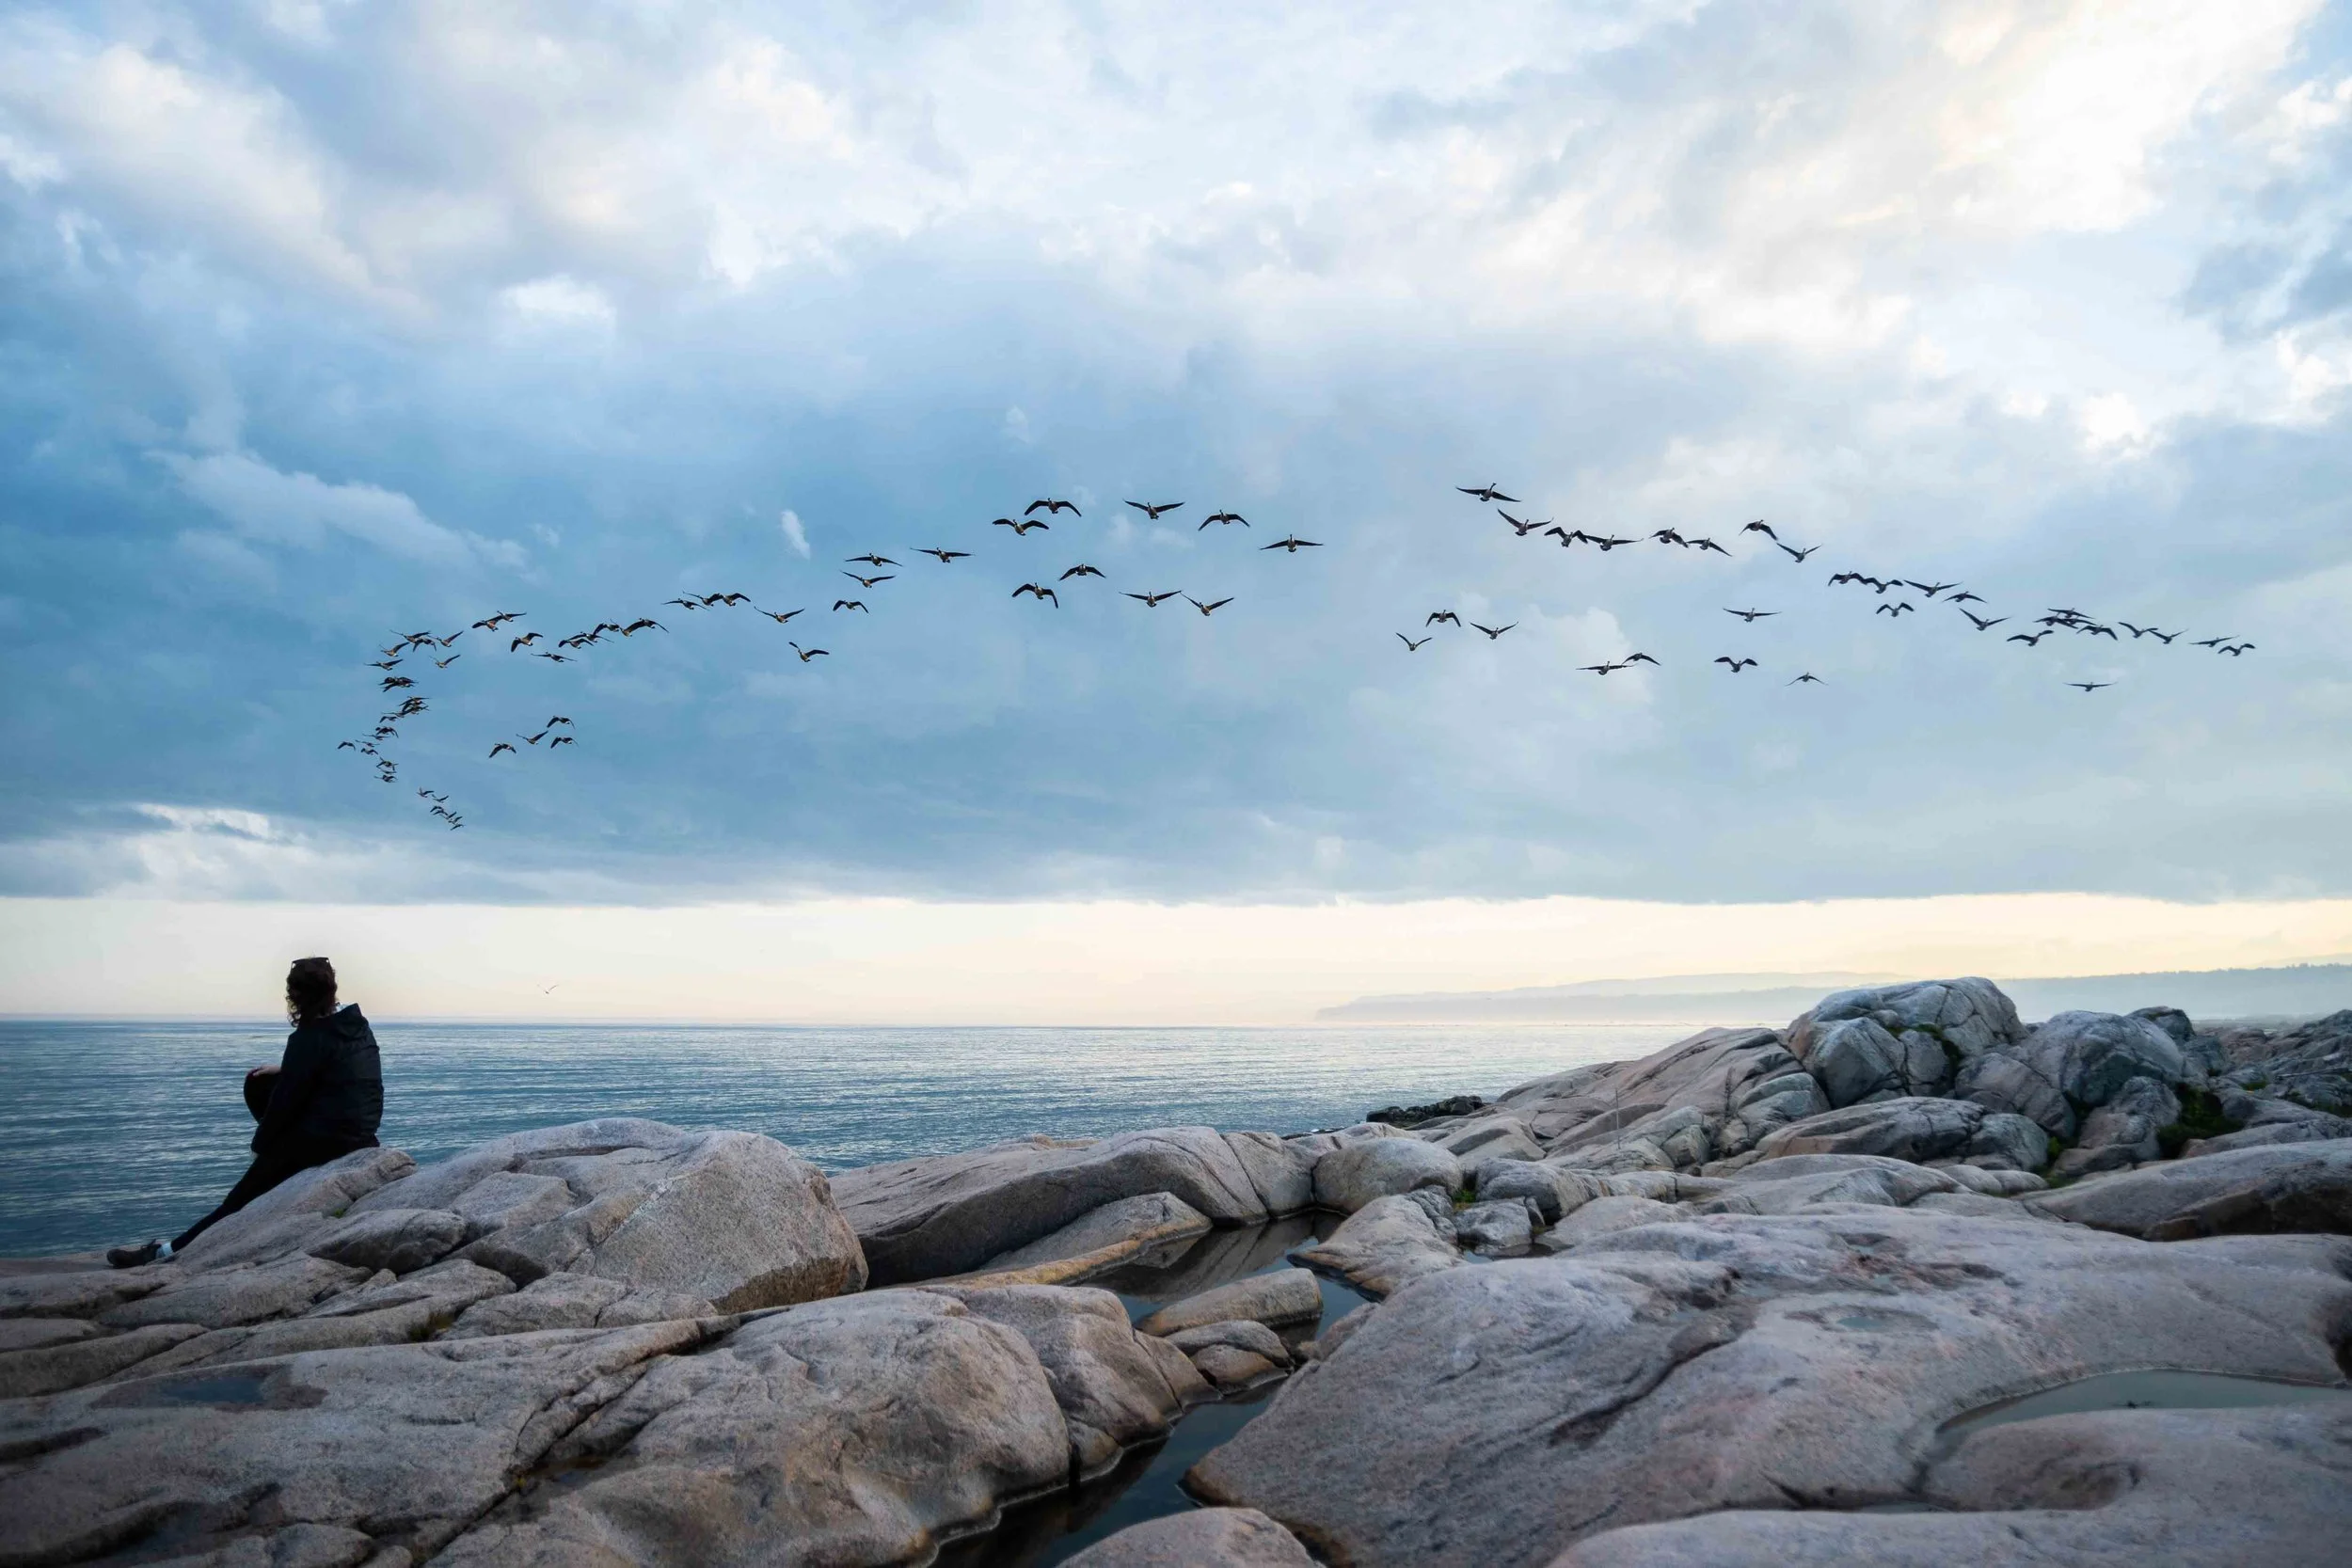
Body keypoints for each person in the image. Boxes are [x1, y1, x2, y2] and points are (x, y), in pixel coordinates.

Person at [107, 957, 384, 1268]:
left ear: (294, 997)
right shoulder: (356, 1026)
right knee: (259, 1081)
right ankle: (284, 1165)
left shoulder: (306, 1040)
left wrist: (261, 1149)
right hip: (361, 1132)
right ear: (332, 992)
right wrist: (286, 1069)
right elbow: (338, 1067)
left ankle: (165, 1253)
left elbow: (283, 1106)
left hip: (326, 1140)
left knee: (238, 1199)